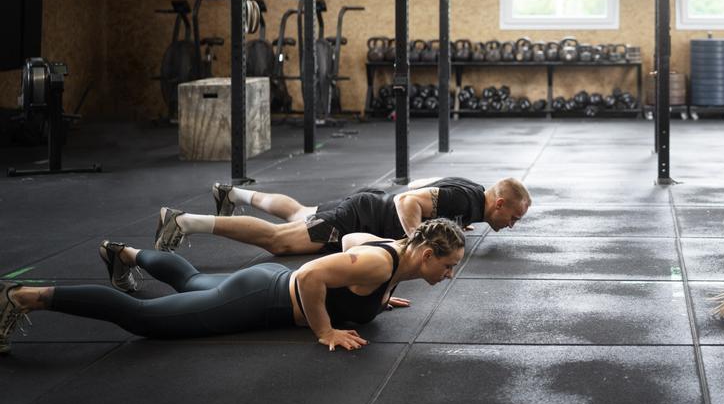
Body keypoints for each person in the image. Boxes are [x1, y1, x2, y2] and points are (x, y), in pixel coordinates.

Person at [0, 220, 466, 355]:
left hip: (261, 284)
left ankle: (123, 253)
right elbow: (309, 276)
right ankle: (23, 297)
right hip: (260, 298)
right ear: (426, 254)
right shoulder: (377, 262)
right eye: (447, 266)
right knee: (144, 319)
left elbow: (348, 241)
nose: (449, 275)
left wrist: (377, 299)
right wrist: (325, 331)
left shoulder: (391, 258)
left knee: (192, 280)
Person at [153, 176, 530, 256]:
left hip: (366, 208)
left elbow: (420, 184)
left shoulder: (470, 196)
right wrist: (416, 240)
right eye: (513, 218)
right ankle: (183, 221)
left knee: (299, 213)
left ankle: (233, 194)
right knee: (279, 241)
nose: (510, 226)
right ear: (499, 204)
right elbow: (407, 200)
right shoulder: (466, 201)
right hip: (360, 218)